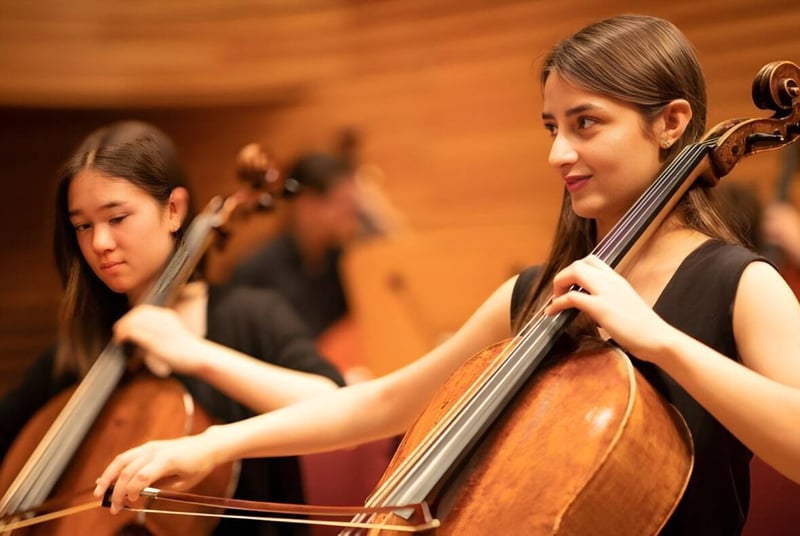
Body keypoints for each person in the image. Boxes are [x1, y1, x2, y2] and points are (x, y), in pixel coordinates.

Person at [95, 15, 800, 535]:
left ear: (671, 123)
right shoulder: (537, 292)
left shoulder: (740, 283)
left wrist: (660, 341)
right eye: (551, 126)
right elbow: (383, 404)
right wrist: (211, 443)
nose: (558, 152)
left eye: (586, 124)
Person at [0, 120, 345, 536]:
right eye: (83, 226)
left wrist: (195, 354)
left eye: (117, 217)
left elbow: (336, 407)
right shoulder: (76, 355)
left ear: (174, 210)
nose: (100, 243)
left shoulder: (250, 316)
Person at [228, 151, 365, 338]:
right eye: (342, 202)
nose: (353, 213)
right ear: (306, 205)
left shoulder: (341, 261)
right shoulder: (255, 273)